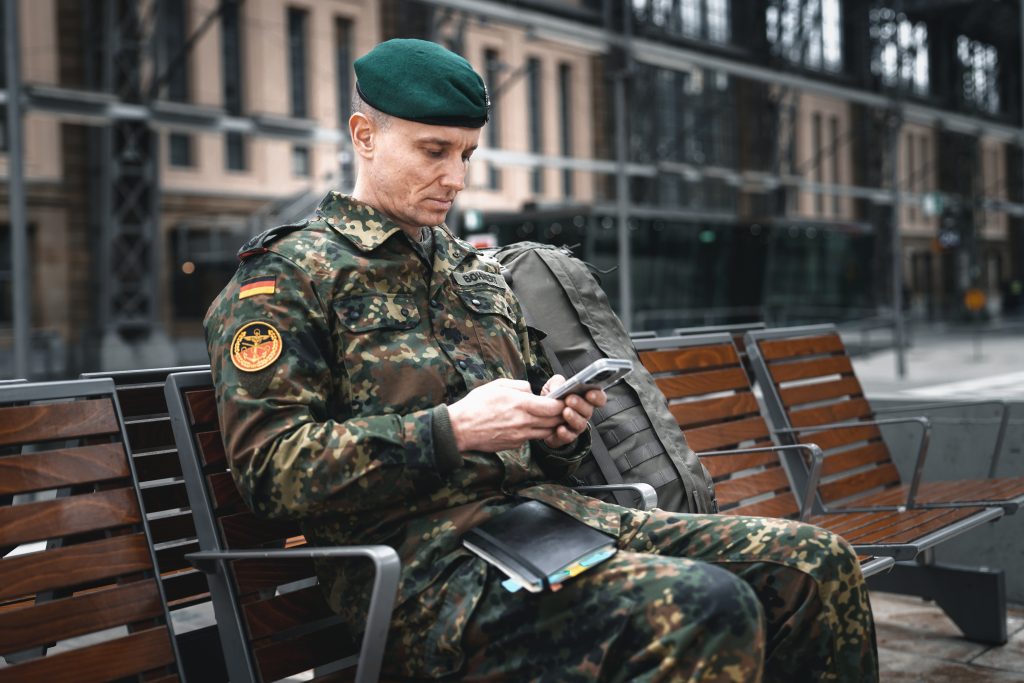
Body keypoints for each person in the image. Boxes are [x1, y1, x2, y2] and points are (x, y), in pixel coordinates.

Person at [205, 38, 877, 682]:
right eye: (434, 151)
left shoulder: (475, 274)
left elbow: (533, 450)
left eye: (467, 154)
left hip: (548, 526)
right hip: (424, 576)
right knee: (706, 604)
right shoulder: (290, 278)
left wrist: (558, 426)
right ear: (365, 135)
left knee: (817, 564)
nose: (456, 178)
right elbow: (269, 471)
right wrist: (454, 429)